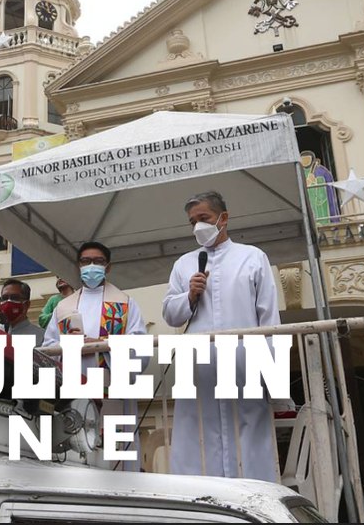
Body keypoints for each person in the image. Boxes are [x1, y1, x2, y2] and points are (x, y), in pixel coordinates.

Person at [162, 191, 281, 482]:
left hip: (245, 365)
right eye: (192, 222)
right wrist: (189, 295)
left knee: (250, 436)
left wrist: (273, 375)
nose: (197, 227)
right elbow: (170, 313)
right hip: (200, 368)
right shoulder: (184, 264)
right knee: (196, 436)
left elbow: (269, 319)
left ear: (223, 218)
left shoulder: (252, 257)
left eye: (204, 219)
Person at [43, 242, 147, 471]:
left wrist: (105, 346)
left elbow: (141, 348)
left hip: (111, 387)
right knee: (75, 454)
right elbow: (49, 347)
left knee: (115, 455)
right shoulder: (63, 308)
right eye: (85, 261)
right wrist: (70, 345)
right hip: (74, 387)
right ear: (78, 266)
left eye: (98, 262)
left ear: (107, 267)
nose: (91, 266)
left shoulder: (126, 304)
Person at [0, 279, 46, 347]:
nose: (8, 302)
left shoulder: (42, 337)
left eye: (14, 298)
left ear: (26, 304)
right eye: (4, 298)